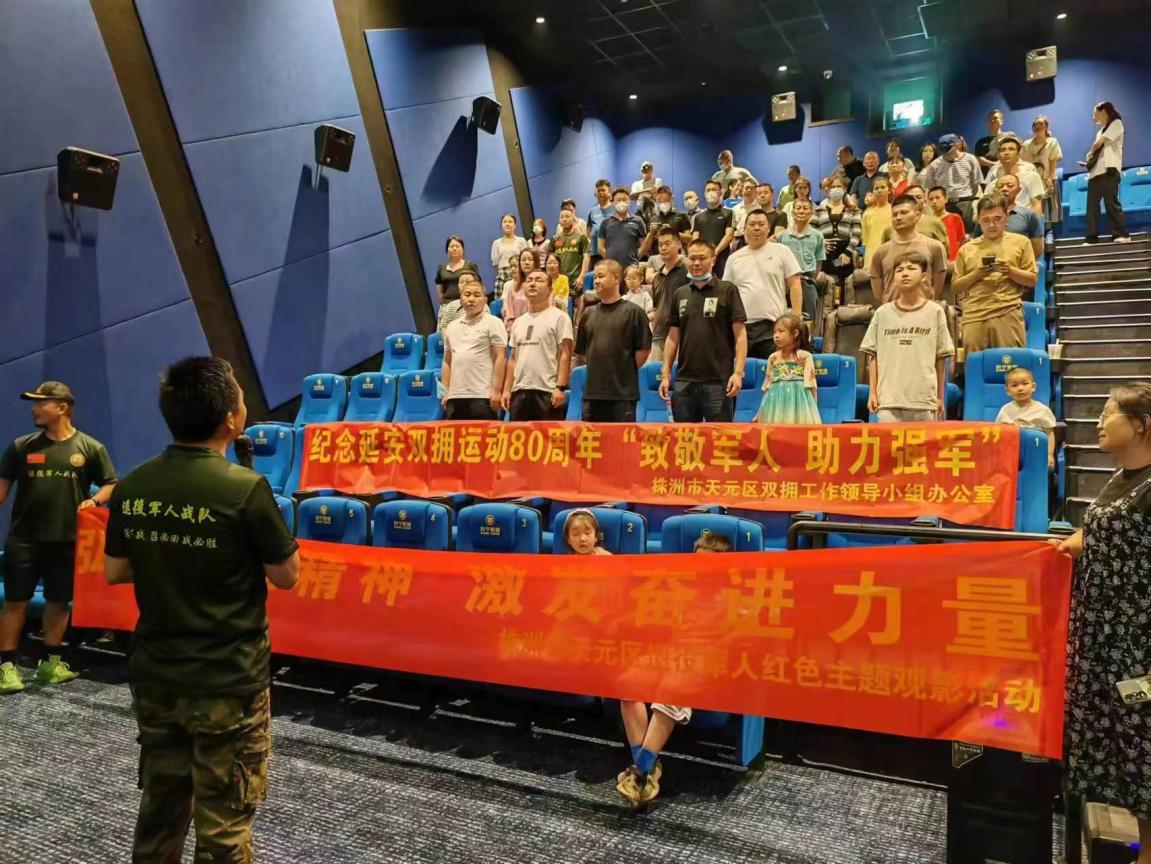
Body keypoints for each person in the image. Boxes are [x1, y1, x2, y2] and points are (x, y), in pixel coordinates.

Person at [104, 357, 300, 862]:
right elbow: (286, 574)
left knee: (161, 809)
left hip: (157, 676)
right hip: (227, 681)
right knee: (224, 824)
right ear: (230, 419)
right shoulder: (245, 488)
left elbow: (116, 570)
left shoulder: (135, 484)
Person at [1051, 383, 1151, 864]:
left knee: (1144, 754)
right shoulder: (1122, 477)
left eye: (1108, 413)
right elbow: (1100, 531)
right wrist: (1070, 543)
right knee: (1121, 756)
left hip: (1139, 647)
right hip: (1103, 641)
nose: (1097, 422)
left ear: (1141, 424)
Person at [0, 381, 116, 694]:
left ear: (62, 407)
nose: (34, 409)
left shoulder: (90, 448)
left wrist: (95, 500)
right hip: (23, 541)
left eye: (41, 403)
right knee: (15, 602)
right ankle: (6, 667)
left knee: (59, 601)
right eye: (34, 403)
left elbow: (110, 484)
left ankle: (51, 664)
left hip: (67, 541)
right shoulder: (21, 447)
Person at [616, 525, 730, 807]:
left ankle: (640, 771)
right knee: (627, 685)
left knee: (670, 691)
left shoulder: (733, 597)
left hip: (702, 660)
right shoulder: (677, 590)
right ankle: (646, 770)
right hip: (667, 654)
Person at [660, 240, 747, 422]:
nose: (696, 263)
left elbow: (740, 335)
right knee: (684, 437)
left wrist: (738, 373)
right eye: (692, 258)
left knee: (720, 437)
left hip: (719, 382)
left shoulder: (727, 290)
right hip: (684, 382)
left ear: (713, 260)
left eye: (702, 258)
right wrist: (665, 374)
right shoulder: (680, 294)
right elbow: (672, 337)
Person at [862, 252, 955, 422]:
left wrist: (940, 396)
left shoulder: (935, 312)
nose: (905, 273)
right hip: (888, 402)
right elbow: (873, 356)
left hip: (924, 401)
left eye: (911, 268)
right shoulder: (882, 313)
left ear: (924, 276)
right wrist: (872, 393)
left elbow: (941, 357)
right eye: (899, 270)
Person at [952, 193, 1037, 352]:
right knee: (975, 364)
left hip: (1008, 311)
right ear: (978, 220)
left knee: (1011, 363)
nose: (991, 225)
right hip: (974, 314)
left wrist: (1010, 271)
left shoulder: (1021, 242)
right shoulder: (966, 249)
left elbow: (1032, 280)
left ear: (1007, 217)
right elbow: (956, 287)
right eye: (985, 220)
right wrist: (976, 275)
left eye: (997, 219)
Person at [574, 260, 651, 422]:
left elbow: (643, 352)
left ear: (616, 278)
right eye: (595, 277)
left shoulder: (634, 313)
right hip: (592, 394)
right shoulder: (588, 314)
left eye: (601, 276)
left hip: (622, 395)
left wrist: (622, 368)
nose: (596, 281)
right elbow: (584, 352)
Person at [723, 210, 803, 360]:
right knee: (742, 372)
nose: (756, 228)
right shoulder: (734, 258)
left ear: (769, 228)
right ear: (744, 229)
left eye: (761, 224)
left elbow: (795, 284)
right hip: (742, 327)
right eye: (752, 224)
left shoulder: (782, 251)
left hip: (774, 326)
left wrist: (796, 317)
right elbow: (727, 293)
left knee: (774, 370)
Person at [503, 269, 574, 420]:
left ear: (550, 289)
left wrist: (560, 387)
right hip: (519, 391)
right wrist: (507, 390)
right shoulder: (518, 322)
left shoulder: (560, 317)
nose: (532, 284)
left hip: (547, 391)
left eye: (539, 280)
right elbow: (513, 358)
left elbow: (565, 353)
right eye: (529, 280)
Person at [441, 278, 507, 420]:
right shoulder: (451, 327)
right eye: (467, 295)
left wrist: (497, 390)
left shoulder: (494, 323)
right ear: (461, 299)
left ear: (485, 300)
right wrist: (445, 392)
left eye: (477, 295)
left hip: (482, 395)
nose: (471, 299)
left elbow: (500, 358)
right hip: (455, 396)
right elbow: (447, 361)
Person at [870, 194, 947, 303]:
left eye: (904, 213)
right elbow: (876, 279)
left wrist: (929, 301)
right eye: (895, 214)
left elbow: (939, 278)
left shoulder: (935, 246)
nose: (898, 217)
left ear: (917, 215)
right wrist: (886, 303)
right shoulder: (881, 252)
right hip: (892, 309)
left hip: (925, 308)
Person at [754, 313, 820, 424]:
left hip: (799, 403)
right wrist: (759, 413)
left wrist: (813, 412)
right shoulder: (773, 358)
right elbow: (767, 388)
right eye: (774, 332)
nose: (776, 335)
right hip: (775, 404)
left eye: (781, 331)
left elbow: (812, 385)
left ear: (795, 333)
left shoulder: (805, 357)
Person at [1083, 101, 1130, 244]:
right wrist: (1090, 157)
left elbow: (1098, 144)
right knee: (1092, 207)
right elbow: (1096, 149)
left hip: (1109, 170)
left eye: (1095, 113)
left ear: (1103, 112)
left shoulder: (1116, 123)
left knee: (1111, 204)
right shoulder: (1100, 131)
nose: (1093, 116)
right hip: (1095, 173)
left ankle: (1121, 234)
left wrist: (1091, 153)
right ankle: (1091, 238)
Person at [995, 366, 1056, 470]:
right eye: (1014, 385)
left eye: (1025, 383)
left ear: (1033, 386)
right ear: (1007, 390)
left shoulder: (1043, 410)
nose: (1020, 388)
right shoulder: (1005, 410)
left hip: (1035, 453)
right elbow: (999, 434)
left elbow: (1049, 434)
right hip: (1011, 454)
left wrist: (1049, 454)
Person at [777, 199, 827, 324]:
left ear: (811, 213)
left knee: (809, 321)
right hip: (785, 285)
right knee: (785, 321)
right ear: (792, 212)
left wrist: (810, 279)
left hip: (807, 282)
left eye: (805, 208)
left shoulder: (817, 236)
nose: (801, 211)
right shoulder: (782, 236)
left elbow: (819, 262)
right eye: (798, 208)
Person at [919, 133, 983, 231]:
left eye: (948, 151)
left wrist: (968, 198)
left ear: (956, 145)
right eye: (943, 151)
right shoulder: (935, 165)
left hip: (965, 202)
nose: (946, 154)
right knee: (945, 232)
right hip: (944, 204)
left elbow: (975, 183)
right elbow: (931, 188)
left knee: (966, 232)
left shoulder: (970, 159)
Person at [971, 174, 1044, 259]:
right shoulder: (985, 215)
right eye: (1000, 186)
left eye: (1010, 185)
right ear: (995, 190)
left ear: (1019, 190)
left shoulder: (1028, 214)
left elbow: (1037, 247)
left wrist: (1023, 264)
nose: (1004, 189)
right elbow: (977, 242)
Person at [649, 226, 690, 363]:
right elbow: (656, 308)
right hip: (658, 335)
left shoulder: (687, 269)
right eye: (660, 245)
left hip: (681, 335)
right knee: (657, 375)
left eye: (667, 243)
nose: (663, 248)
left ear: (679, 244)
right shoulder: (657, 277)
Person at [813, 176, 862, 287]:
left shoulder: (853, 210)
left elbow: (857, 234)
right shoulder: (818, 210)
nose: (836, 189)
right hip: (825, 252)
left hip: (844, 252)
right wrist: (820, 243)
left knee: (844, 285)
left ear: (844, 189)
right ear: (828, 190)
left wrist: (848, 252)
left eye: (839, 186)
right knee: (826, 285)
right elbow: (811, 232)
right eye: (833, 187)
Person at [984, 133, 1045, 216]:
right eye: (1003, 150)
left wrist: (1036, 223)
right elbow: (986, 205)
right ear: (998, 155)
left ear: (1018, 154)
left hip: (1024, 220)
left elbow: (1037, 205)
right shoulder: (994, 183)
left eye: (1011, 149)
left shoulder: (1032, 177)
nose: (1006, 153)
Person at [1022, 115, 1063, 225]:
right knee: (1033, 209)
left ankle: (1048, 230)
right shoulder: (1026, 145)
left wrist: (1050, 180)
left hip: (1047, 180)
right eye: (1035, 124)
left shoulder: (1052, 142)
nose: (1038, 126)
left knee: (1048, 209)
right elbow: (1023, 164)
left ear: (1046, 127)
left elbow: (1053, 162)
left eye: (1041, 124)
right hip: (1031, 182)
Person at [692, 180, 735, 276]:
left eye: (714, 189)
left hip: (721, 259)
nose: (711, 192)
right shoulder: (698, 216)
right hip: (702, 260)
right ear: (704, 194)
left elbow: (729, 236)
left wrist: (715, 251)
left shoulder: (729, 213)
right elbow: (695, 238)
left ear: (720, 193)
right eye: (708, 190)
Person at [599, 187, 646, 269]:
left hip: (632, 268)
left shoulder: (638, 221)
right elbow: (600, 247)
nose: (621, 202)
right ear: (613, 203)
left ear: (629, 202)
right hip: (612, 269)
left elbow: (644, 245)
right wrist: (610, 262)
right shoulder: (605, 223)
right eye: (618, 200)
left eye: (624, 199)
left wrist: (635, 259)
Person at [640, 185, 692, 257]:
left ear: (671, 199)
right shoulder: (653, 219)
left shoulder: (682, 216)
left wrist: (672, 231)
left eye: (665, 201)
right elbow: (645, 248)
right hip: (656, 258)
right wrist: (651, 233)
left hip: (675, 258)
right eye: (660, 202)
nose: (663, 204)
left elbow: (689, 239)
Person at [553, 208, 590, 303]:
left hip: (576, 281)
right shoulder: (555, 239)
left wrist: (582, 276)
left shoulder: (581, 237)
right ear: (559, 220)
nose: (564, 219)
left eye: (567, 216)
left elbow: (586, 258)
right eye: (562, 217)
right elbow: (551, 260)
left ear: (573, 219)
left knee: (579, 306)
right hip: (561, 281)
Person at [434, 235, 480, 305]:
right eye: (451, 246)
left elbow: (478, 285)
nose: (455, 249)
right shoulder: (441, 268)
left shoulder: (470, 265)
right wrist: (443, 304)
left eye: (457, 246)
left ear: (462, 249)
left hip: (468, 303)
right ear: (447, 250)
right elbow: (439, 290)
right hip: (448, 304)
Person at [501, 247, 538, 334]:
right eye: (523, 260)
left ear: (536, 262)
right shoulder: (513, 287)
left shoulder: (544, 284)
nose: (526, 262)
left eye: (530, 259)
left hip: (538, 328)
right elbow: (509, 313)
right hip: (518, 330)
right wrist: (512, 329)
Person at [927, 185, 967, 262]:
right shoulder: (928, 221)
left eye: (937, 198)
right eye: (931, 199)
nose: (934, 201)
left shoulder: (955, 218)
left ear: (946, 199)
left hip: (953, 260)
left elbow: (961, 241)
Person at [860, 176, 893, 269]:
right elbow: (864, 240)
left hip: (890, 254)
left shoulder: (894, 210)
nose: (879, 190)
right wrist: (863, 256)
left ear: (889, 190)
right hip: (871, 256)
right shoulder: (867, 214)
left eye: (883, 187)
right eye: (876, 188)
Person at [490, 213, 529, 290]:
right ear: (501, 225)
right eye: (505, 222)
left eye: (510, 222)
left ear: (515, 225)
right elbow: (495, 264)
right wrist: (500, 275)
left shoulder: (521, 241)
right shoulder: (496, 243)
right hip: (502, 277)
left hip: (519, 275)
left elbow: (525, 258)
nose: (507, 224)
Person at [586, 178, 614, 259]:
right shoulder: (592, 210)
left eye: (603, 190)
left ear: (609, 191)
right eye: (598, 190)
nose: (601, 193)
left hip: (612, 251)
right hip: (595, 252)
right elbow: (588, 230)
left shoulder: (615, 208)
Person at [730, 177, 760, 248]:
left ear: (755, 191)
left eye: (751, 188)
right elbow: (732, 228)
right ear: (742, 190)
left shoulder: (760, 208)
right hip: (738, 241)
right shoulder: (735, 208)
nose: (749, 190)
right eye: (746, 188)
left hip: (755, 240)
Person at [974, 108, 1005, 174]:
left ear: (1001, 121)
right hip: (984, 178)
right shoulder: (980, 142)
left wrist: (986, 162)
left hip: (1003, 177)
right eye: (990, 119)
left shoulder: (1008, 139)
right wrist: (993, 164)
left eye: (995, 118)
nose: (992, 120)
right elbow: (977, 160)